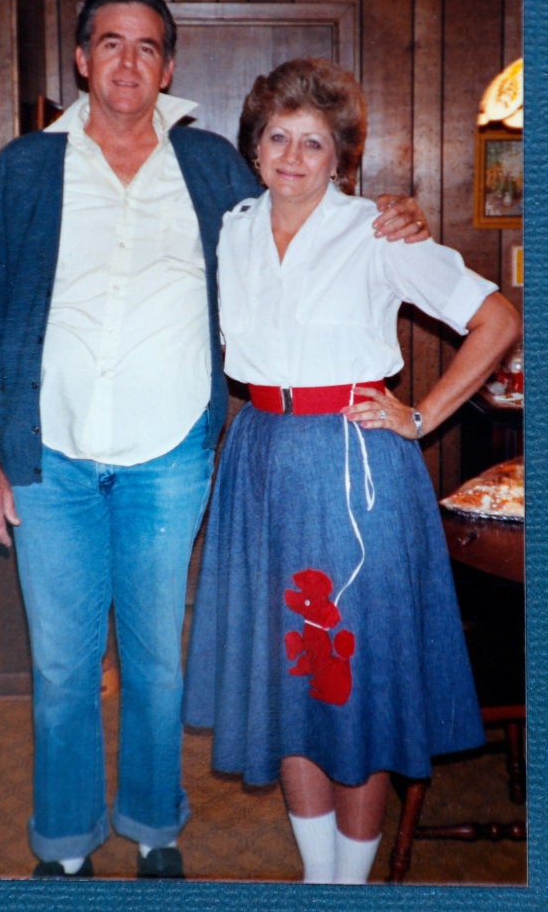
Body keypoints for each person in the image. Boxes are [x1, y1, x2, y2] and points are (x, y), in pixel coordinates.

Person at [0, 0, 431, 882]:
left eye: (147, 47)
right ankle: (64, 843)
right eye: (109, 43)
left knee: (158, 665)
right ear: (83, 60)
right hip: (46, 454)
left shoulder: (210, 167)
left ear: (168, 68)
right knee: (61, 667)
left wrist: (390, 209)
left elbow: (307, 190)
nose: (127, 61)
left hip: (171, 455)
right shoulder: (23, 169)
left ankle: (155, 827)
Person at [182, 57, 521, 885]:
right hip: (259, 456)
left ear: (341, 156)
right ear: (254, 147)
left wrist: (421, 415)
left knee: (353, 682)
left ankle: (351, 887)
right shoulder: (231, 226)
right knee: (288, 680)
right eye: (277, 137)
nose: (293, 155)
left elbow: (496, 318)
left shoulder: (376, 229)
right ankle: (317, 879)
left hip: (352, 465)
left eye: (314, 141)